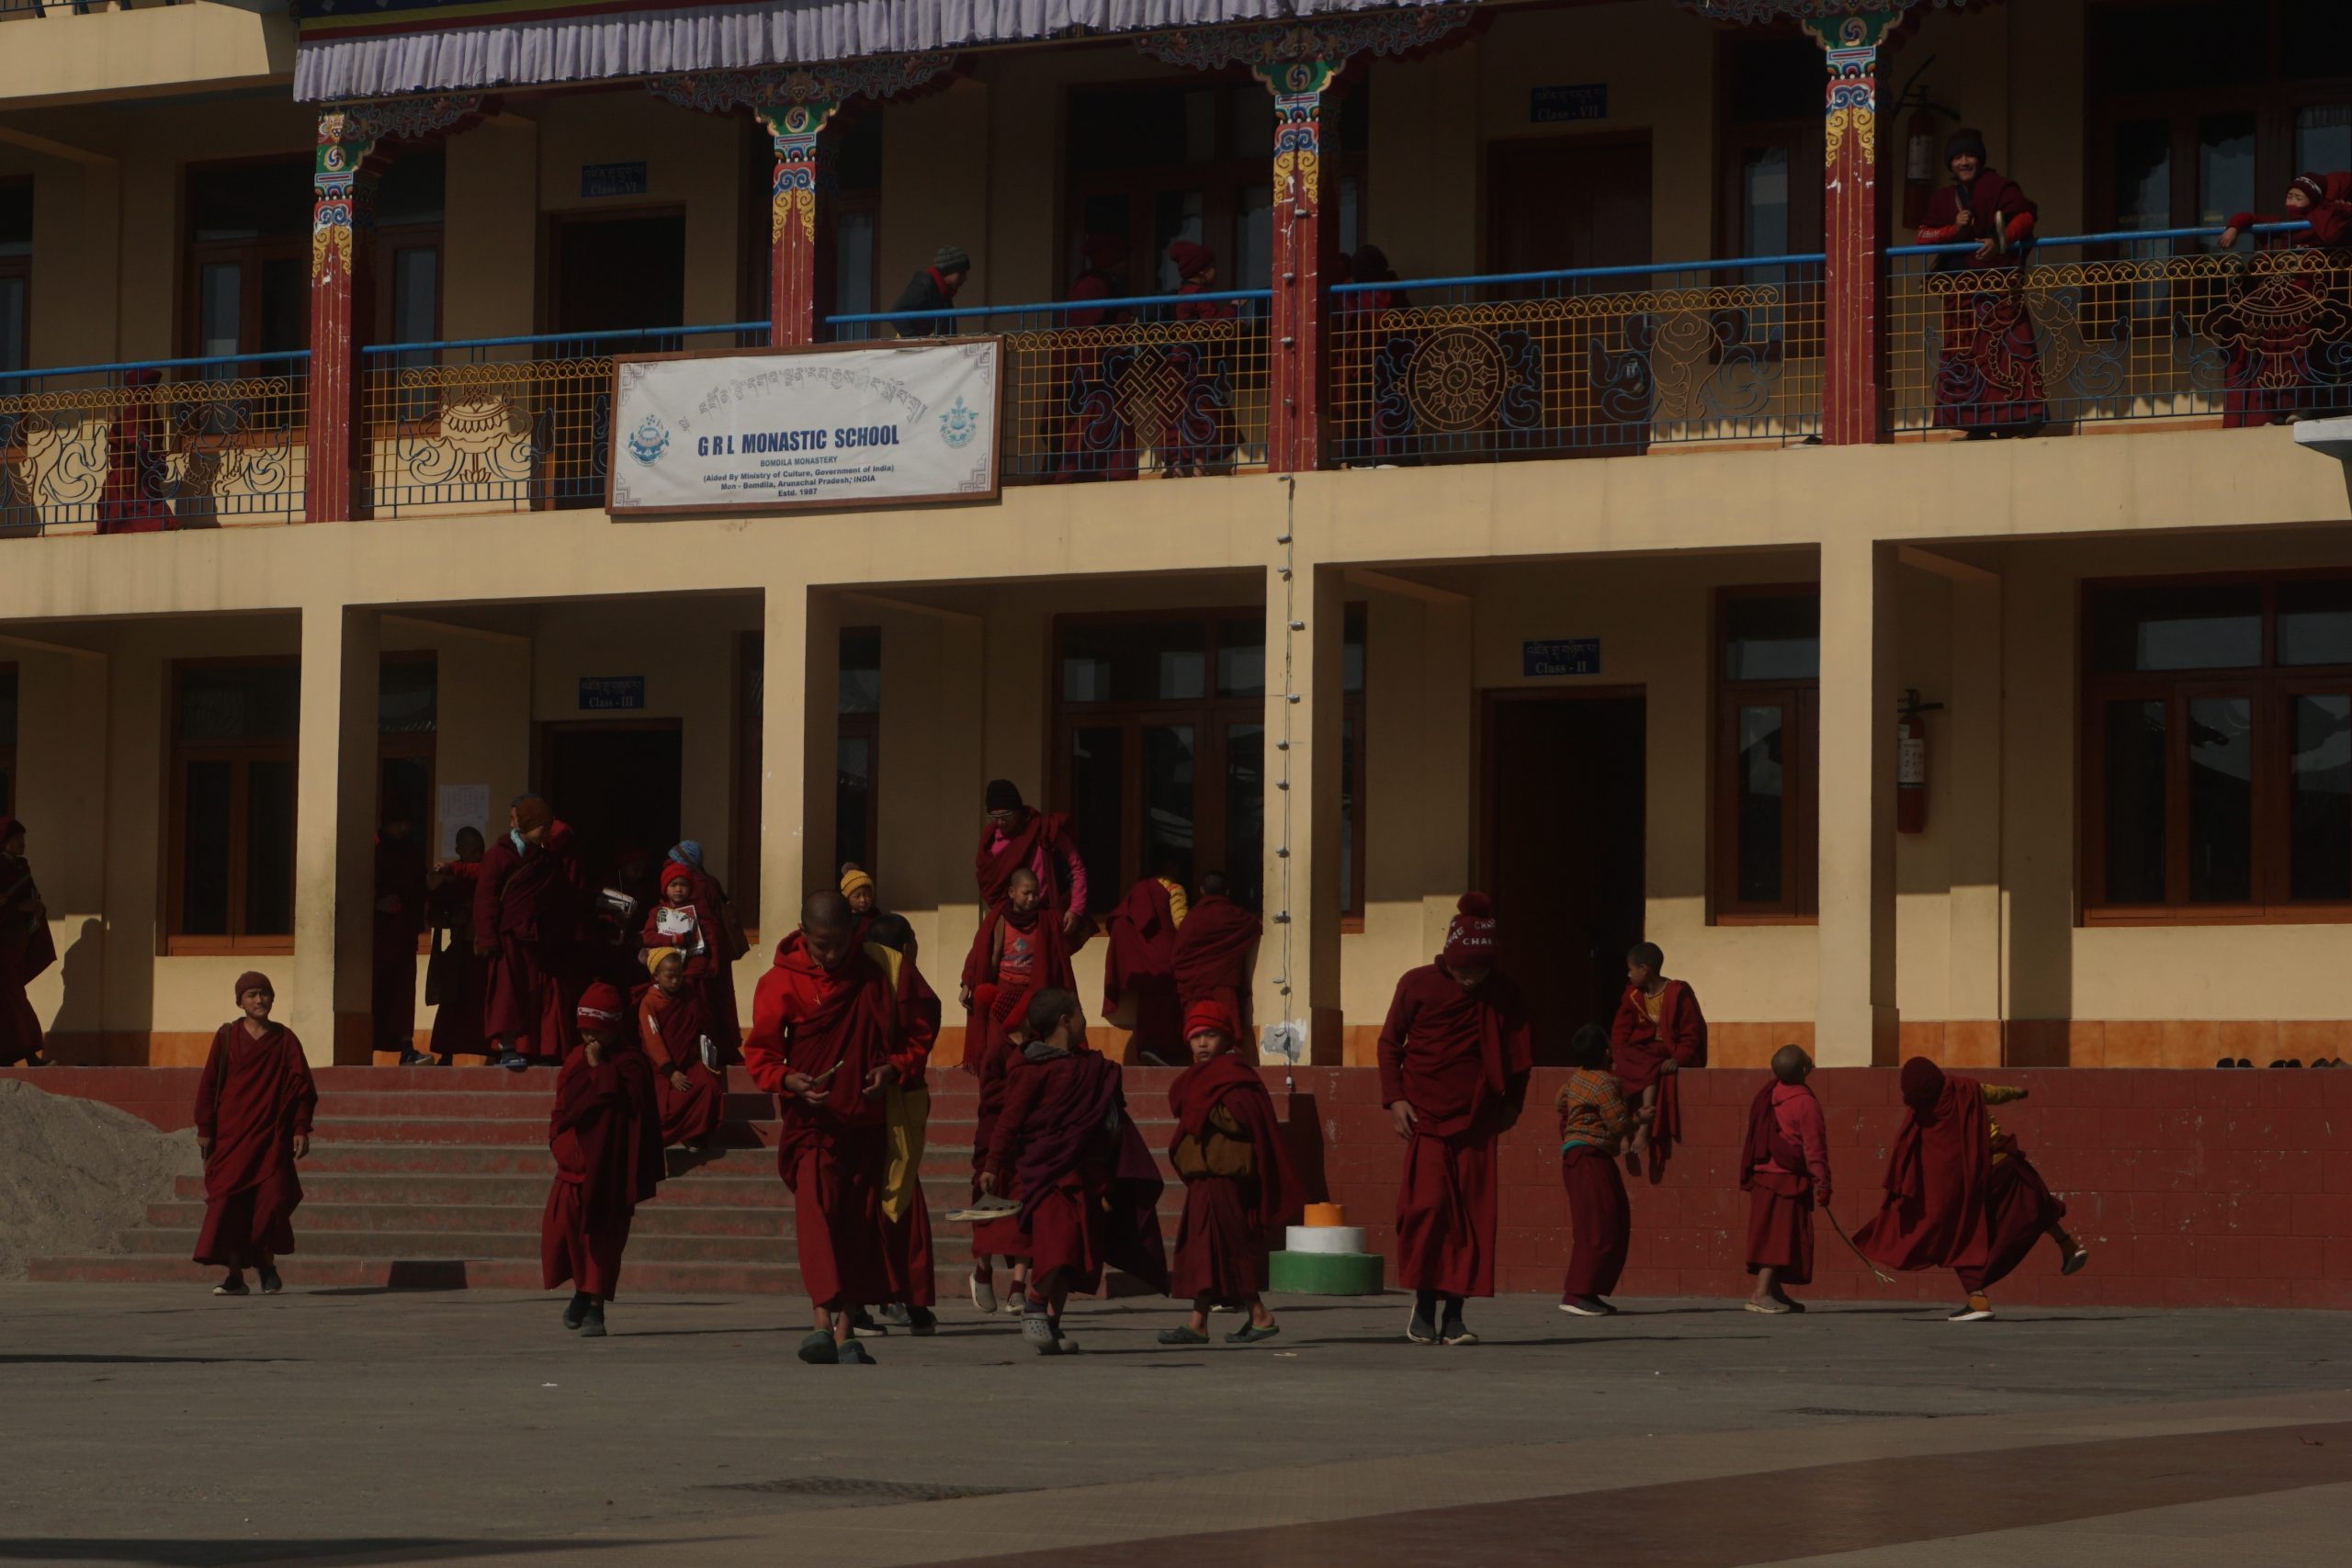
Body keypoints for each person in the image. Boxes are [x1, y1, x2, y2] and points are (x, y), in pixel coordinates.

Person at [743, 890, 940, 1365]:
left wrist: (893, 1068)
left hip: (870, 1119)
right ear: (803, 934)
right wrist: (786, 1078)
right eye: (821, 945)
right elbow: (762, 1052)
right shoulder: (779, 981)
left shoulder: (882, 969)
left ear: (855, 933)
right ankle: (819, 1320)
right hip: (813, 1121)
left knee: (858, 1222)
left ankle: (847, 1328)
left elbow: (920, 1028)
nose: (831, 956)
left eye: (839, 944)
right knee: (816, 1213)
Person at [1376, 894, 1532, 1347]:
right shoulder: (1418, 984)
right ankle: (1424, 1307)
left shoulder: (1504, 994)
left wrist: (1513, 1106)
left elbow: (1520, 1058)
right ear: (1448, 959)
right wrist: (1395, 1100)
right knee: (1426, 1212)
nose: (1470, 979)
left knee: (1472, 1216)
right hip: (1424, 1117)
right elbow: (1390, 1045)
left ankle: (1456, 1315)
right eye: (1463, 970)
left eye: (1479, 971)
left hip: (1478, 1120)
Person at [981, 987, 1169, 1356]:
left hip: (1086, 1170)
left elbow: (1108, 1119)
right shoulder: (1031, 1067)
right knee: (1061, 1243)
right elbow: (1009, 1119)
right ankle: (1034, 1303)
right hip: (1049, 1172)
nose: (1086, 1019)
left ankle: (1052, 1324)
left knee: (1079, 1253)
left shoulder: (1089, 1068)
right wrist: (992, 1163)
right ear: (1066, 1020)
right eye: (1081, 1012)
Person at [1855, 1056, 2090, 1322]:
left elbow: (1918, 1158)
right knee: (2035, 1198)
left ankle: (1978, 1300)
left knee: (1960, 1236)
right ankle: (2067, 1245)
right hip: (2002, 1163)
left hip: (1969, 1183)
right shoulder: (1963, 1088)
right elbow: (1993, 1092)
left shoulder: (1923, 1116)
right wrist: (2016, 1092)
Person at [1157, 999, 1301, 1347]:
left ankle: (1259, 1315)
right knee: (1204, 1248)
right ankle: (1199, 1323)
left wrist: (1204, 1107)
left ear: (1225, 1038)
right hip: (1205, 1178)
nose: (1203, 1043)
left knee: (1227, 1246)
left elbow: (1245, 1120)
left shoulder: (1236, 1077)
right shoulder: (1201, 1079)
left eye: (1210, 1035)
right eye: (1195, 1037)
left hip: (1228, 1177)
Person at [541, 982, 664, 1338]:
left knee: (602, 1240)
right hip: (573, 1167)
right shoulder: (574, 1060)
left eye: (595, 1030)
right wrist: (557, 1141)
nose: (587, 1036)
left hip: (611, 1170)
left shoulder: (631, 1064)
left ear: (611, 1028)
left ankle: (595, 1309)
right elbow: (562, 1107)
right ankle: (581, 1290)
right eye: (583, 1029)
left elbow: (627, 1108)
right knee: (564, 1236)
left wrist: (599, 1068)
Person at [193, 973, 318, 1297]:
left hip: (270, 1136)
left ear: (272, 999)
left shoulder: (285, 1040)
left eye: (264, 994)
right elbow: (208, 1085)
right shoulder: (226, 1037)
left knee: (270, 1202)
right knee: (230, 1207)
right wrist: (205, 1129)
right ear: (240, 1002)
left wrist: (301, 1127)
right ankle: (235, 1276)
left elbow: (302, 1088)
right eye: (252, 995)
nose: (259, 1000)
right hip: (231, 1137)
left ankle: (266, 1265)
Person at [1917, 129, 2047, 438]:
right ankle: (1973, 423)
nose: (1964, 162)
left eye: (1969, 156)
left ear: (1980, 159)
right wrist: (1953, 228)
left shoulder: (1998, 187)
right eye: (1958, 158)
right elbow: (1923, 236)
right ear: (1950, 164)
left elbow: (2025, 217)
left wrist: (2000, 241)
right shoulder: (1944, 199)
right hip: (1960, 292)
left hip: (1998, 287)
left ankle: (2014, 419)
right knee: (1964, 354)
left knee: (2007, 350)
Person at [2213, 173, 2352, 426]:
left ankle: (2302, 408)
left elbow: (2333, 234)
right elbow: (2250, 217)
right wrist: (2233, 227)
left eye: (2299, 197)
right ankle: (2275, 411)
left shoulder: (2319, 224)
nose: (2292, 201)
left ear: (2312, 201)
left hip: (2306, 308)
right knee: (2272, 360)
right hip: (2274, 311)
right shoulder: (2279, 227)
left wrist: (2332, 210)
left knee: (2302, 359)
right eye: (2290, 195)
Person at [475, 795, 588, 1071]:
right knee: (507, 993)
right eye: (541, 827)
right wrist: (487, 937)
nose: (546, 833)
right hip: (508, 937)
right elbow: (485, 898)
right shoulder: (499, 855)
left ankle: (534, 1048)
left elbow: (557, 897)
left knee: (531, 992)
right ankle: (507, 1048)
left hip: (536, 937)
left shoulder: (545, 859)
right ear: (525, 824)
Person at [1740, 1044, 1830, 1315]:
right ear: (1804, 1070)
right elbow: (1814, 1148)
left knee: (1782, 1235)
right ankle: (1760, 1292)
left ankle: (1775, 1292)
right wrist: (1823, 1183)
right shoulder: (1805, 1103)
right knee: (1776, 1237)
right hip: (1785, 1179)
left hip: (1763, 1176)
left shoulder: (1770, 1094)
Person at [1555, 1022, 1638, 1317]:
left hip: (1580, 1156)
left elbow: (1559, 1101)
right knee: (1598, 1225)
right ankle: (1576, 1292)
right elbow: (1618, 1123)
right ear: (1606, 1052)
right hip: (1590, 1156)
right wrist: (1639, 1119)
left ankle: (1588, 1290)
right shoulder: (1605, 1082)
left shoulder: (1576, 1079)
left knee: (1604, 1220)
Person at [960, 867, 1074, 1079]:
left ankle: (1028, 1085)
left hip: (1034, 994)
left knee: (1033, 1047)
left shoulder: (1046, 919)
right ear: (1012, 892)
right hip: (1002, 993)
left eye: (1036, 893)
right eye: (1026, 893)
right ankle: (997, 1088)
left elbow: (1058, 955)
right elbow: (980, 953)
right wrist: (968, 982)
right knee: (997, 1045)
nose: (1032, 898)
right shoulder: (999, 919)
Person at [1610, 942, 1706, 1182]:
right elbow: (1622, 1028)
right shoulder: (1632, 995)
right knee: (1623, 1065)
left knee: (1650, 1063)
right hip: (1641, 1047)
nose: (1629, 974)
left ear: (1645, 969)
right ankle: (1623, 1131)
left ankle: (1644, 1129)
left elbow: (1690, 1033)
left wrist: (1678, 1058)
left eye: (1631, 969)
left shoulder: (1676, 993)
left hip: (1666, 1048)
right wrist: (1617, 1053)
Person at [639, 853, 732, 1073]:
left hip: (693, 972)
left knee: (701, 1013)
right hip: (668, 972)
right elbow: (648, 937)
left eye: (683, 885)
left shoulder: (698, 913)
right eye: (673, 885)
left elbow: (711, 939)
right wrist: (672, 940)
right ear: (665, 888)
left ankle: (706, 1053)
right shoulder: (658, 913)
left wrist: (714, 962)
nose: (678, 890)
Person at [1058, 233, 1141, 481]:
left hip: (1109, 373)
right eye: (1124, 258)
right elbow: (1087, 331)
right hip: (1093, 374)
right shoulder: (1090, 286)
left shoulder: (1105, 283)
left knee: (1111, 423)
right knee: (1089, 424)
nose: (1128, 265)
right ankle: (1071, 473)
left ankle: (1113, 473)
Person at [657, 840, 747, 1062]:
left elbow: (708, 926)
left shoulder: (696, 884)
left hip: (701, 960)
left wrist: (713, 959)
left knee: (704, 1007)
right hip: (711, 957)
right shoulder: (708, 881)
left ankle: (711, 1052)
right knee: (718, 1005)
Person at [636, 949, 727, 1154]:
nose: (675, 981)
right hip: (661, 1069)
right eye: (670, 976)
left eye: (679, 975)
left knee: (709, 1087)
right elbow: (653, 1039)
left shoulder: (688, 995)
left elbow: (699, 1023)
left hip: (688, 1061)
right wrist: (670, 1071)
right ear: (656, 976)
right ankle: (680, 1133)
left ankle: (695, 1134)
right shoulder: (650, 1002)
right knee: (665, 1110)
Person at [975, 780, 1088, 935]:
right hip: (1009, 921)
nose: (1000, 822)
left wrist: (1075, 909)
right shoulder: (991, 841)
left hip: (1045, 916)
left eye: (1006, 815)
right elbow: (989, 883)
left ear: (1018, 810)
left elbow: (1076, 869)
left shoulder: (1045, 830)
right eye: (994, 817)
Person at [1101, 858, 1186, 1065]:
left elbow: (1124, 921)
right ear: (1171, 867)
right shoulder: (1174, 888)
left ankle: (1147, 1046)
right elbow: (1181, 923)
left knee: (1147, 1004)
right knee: (1169, 1004)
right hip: (1168, 956)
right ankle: (1168, 1051)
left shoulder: (1138, 890)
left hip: (1146, 959)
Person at [1164, 240, 1238, 477]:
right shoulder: (1198, 293)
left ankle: (1176, 467)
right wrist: (1234, 309)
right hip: (1193, 364)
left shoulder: (1179, 294)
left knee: (1176, 412)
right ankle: (1198, 467)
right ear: (1202, 271)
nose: (1216, 272)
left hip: (1175, 363)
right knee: (1201, 411)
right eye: (1213, 267)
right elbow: (1212, 324)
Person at [373, 798, 434, 1066]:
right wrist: (376, 903)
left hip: (405, 933)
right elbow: (357, 887)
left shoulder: (411, 852)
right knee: (378, 992)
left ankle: (406, 1047)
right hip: (376, 937)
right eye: (396, 823)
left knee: (403, 993)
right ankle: (368, 1045)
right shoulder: (375, 850)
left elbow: (419, 887)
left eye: (405, 824)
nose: (401, 829)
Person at [424, 827, 489, 1066]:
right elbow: (435, 914)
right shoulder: (453, 877)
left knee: (481, 1001)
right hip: (461, 946)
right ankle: (447, 1052)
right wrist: (453, 916)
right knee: (453, 1000)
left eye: (479, 849)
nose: (476, 853)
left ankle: (491, 1050)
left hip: (483, 949)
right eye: (471, 850)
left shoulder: (487, 870)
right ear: (459, 850)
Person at [1172, 871, 1260, 1044]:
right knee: (1227, 1034)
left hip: (1194, 985)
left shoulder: (1191, 920)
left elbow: (1177, 956)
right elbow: (1254, 926)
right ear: (1227, 892)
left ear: (1202, 891)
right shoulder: (1234, 916)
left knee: (1198, 1034)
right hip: (1223, 984)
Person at [0, 816, 58, 1068]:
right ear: (5, 842)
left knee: (14, 1001)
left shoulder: (22, 868)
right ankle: (29, 1057)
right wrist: (18, 908)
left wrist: (37, 908)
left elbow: (31, 897)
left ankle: (25, 1056)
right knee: (13, 1003)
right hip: (1, 947)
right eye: (17, 838)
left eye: (22, 838)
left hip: (16, 946)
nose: (22, 843)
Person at [888, 245, 971, 338]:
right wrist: (916, 340)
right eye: (961, 273)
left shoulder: (945, 291)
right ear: (948, 270)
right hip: (914, 348)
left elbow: (946, 324)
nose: (964, 279)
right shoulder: (923, 286)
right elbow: (896, 313)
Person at [841, 864, 917, 960]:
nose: (863, 900)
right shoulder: (847, 920)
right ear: (847, 899)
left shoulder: (875, 914)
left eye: (867, 895)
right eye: (857, 896)